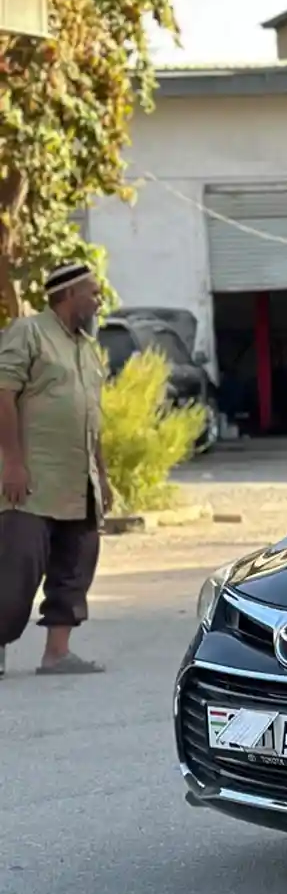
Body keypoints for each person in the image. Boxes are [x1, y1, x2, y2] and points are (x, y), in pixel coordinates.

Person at [0, 261, 111, 677]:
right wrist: (11, 461)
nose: (98, 300)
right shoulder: (28, 332)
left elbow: (91, 415)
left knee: (75, 567)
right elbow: (3, 394)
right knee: (15, 571)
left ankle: (57, 653)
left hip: (79, 481)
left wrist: (102, 474)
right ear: (67, 295)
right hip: (32, 480)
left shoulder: (87, 347)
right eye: (92, 292)